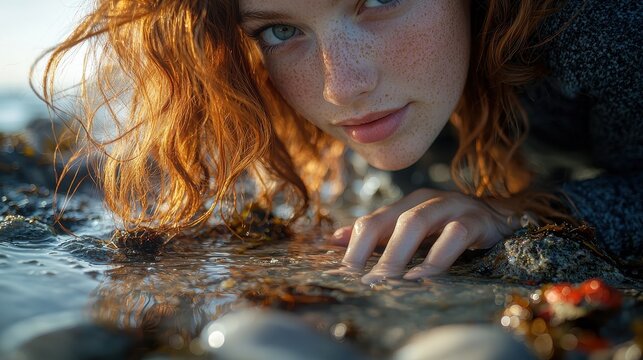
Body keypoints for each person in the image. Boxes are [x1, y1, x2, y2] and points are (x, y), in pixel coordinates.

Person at [39, 0, 642, 283]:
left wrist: (517, 211)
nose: (344, 85)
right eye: (282, 30)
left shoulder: (599, 21)